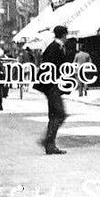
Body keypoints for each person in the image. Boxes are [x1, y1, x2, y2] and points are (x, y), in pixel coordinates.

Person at [36, 24, 70, 154]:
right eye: (66, 36)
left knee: (54, 115)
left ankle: (50, 145)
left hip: (50, 86)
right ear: (64, 35)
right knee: (60, 114)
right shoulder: (55, 48)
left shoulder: (55, 46)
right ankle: (48, 141)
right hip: (51, 86)